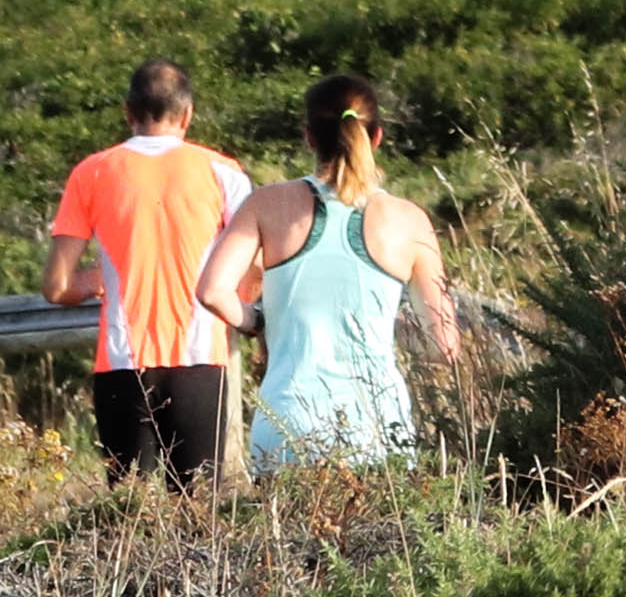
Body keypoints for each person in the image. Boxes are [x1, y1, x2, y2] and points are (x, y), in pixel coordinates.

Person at [195, 73, 464, 469]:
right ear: (376, 137)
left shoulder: (266, 204)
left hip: (287, 430)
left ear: (309, 138)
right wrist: (384, 326)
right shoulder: (410, 220)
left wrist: (258, 321)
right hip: (378, 431)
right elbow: (445, 347)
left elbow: (212, 291)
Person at [43, 58, 256, 483]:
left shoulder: (92, 171)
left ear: (128, 111)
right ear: (188, 114)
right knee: (198, 511)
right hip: (199, 358)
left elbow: (56, 286)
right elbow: (251, 275)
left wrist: (89, 281)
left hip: (123, 361)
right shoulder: (224, 172)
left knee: (127, 513)